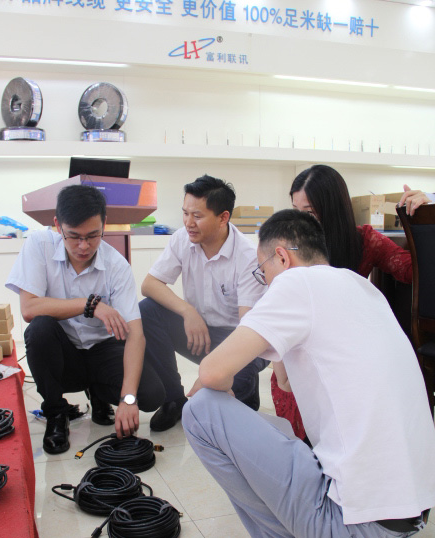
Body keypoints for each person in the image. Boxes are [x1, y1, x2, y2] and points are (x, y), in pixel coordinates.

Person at [183, 209, 435, 538]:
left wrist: (222, 383)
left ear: (282, 257)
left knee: (200, 409)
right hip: (408, 514)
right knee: (281, 429)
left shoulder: (296, 283)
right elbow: (285, 383)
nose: (265, 283)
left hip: (356, 522)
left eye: (262, 271)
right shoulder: (362, 287)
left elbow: (211, 372)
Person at [6, 185, 164, 454]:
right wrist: (90, 305)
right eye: (74, 236)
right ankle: (56, 413)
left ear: (104, 224)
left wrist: (127, 399)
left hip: (102, 349)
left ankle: (99, 393)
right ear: (58, 226)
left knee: (150, 395)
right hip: (63, 352)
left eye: (93, 235)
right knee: (39, 329)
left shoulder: (116, 265)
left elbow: (136, 334)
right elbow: (29, 308)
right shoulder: (39, 245)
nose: (83, 246)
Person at [272, 164, 414, 441]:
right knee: (302, 437)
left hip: (348, 354)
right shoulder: (289, 244)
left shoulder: (363, 240)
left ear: (332, 209)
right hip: (301, 349)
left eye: (309, 213)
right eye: (295, 211)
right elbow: (275, 306)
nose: (300, 223)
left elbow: (410, 270)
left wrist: (422, 219)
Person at [139, 174, 268, 432]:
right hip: (200, 333)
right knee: (147, 310)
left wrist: (208, 377)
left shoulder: (247, 256)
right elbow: (149, 285)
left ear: (223, 217)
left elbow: (248, 328)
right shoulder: (182, 239)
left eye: (197, 216)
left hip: (243, 339)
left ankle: (243, 389)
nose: (188, 223)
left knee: (229, 412)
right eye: (185, 213)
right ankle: (173, 400)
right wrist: (188, 312)